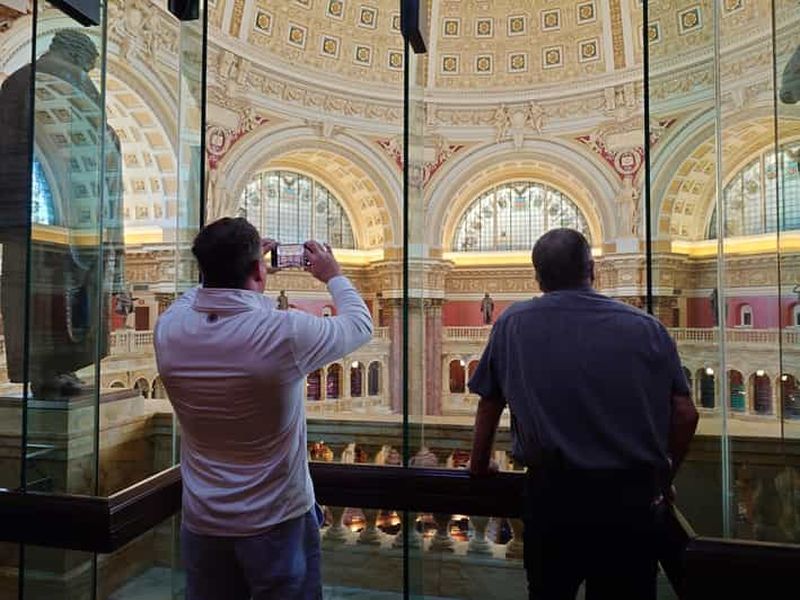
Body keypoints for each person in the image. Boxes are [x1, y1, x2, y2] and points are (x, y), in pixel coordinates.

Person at [468, 228, 698, 600]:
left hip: (553, 499)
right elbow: (685, 414)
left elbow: (489, 402)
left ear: (537, 276)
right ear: (592, 270)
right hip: (629, 502)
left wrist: (479, 466)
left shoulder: (512, 323)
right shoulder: (646, 327)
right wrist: (663, 474)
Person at [154, 218, 373, 599]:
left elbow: (197, 294)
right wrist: (332, 274)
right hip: (277, 522)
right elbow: (359, 324)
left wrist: (233, 266)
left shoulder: (169, 328)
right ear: (259, 268)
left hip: (202, 522)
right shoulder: (283, 333)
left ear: (203, 269)